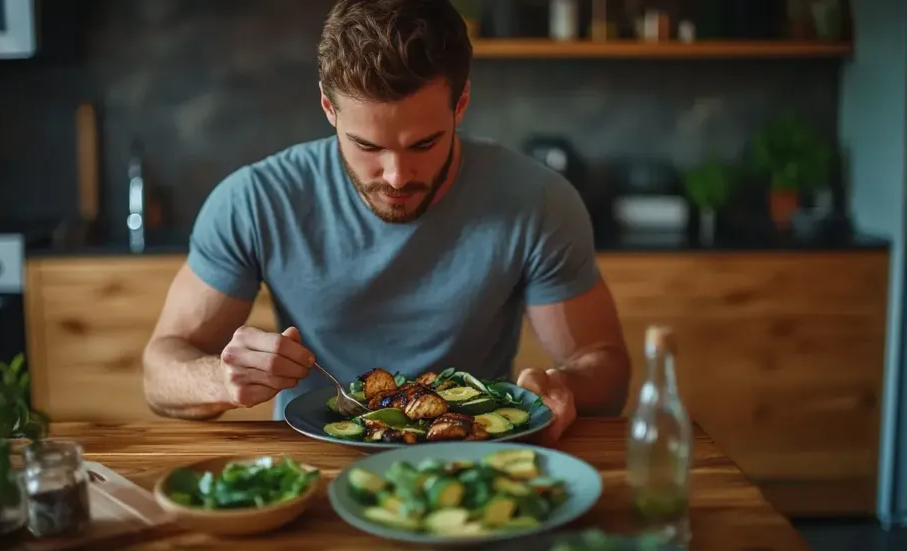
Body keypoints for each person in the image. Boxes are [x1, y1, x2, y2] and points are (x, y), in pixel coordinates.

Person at [142, 0, 631, 445]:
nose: (396, 176)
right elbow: (159, 372)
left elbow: (606, 367)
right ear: (329, 109)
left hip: (471, 454)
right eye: (368, 147)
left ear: (459, 106)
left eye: (423, 144)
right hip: (314, 460)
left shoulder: (538, 201)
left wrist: (564, 386)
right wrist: (222, 379)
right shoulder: (255, 200)